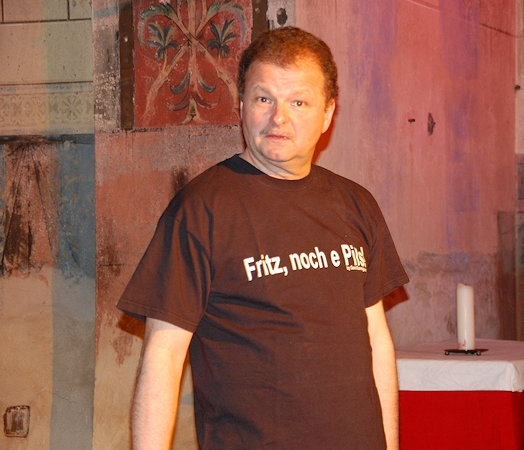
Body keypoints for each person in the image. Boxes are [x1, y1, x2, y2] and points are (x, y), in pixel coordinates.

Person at [118, 26, 408, 450]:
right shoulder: (201, 210)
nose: (279, 118)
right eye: (263, 99)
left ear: (328, 113)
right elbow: (163, 355)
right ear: (241, 107)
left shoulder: (356, 204)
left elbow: (376, 340)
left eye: (298, 102)